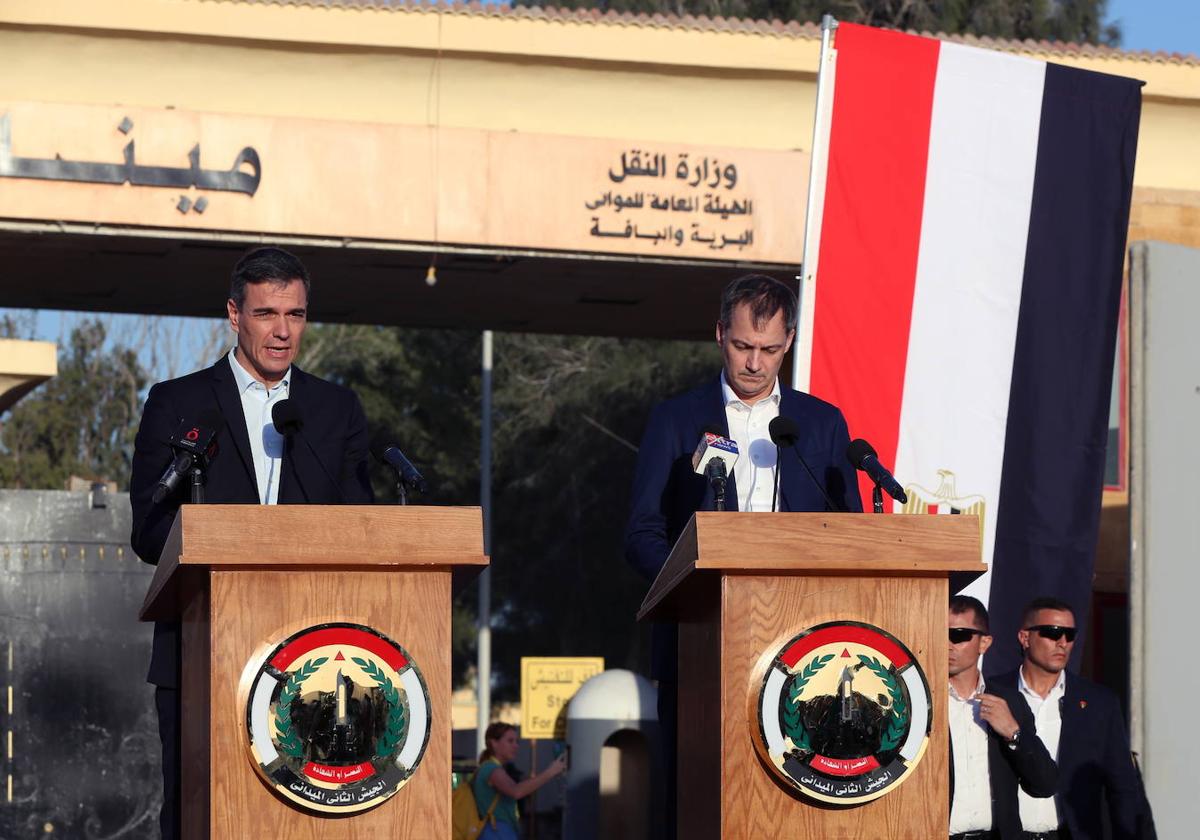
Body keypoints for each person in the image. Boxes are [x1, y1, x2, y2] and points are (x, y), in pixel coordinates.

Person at [129, 246, 374, 839]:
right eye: (267, 314)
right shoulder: (178, 401)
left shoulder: (335, 410)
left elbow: (362, 526)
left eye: (296, 315)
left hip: (317, 655)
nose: (283, 332)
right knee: (199, 815)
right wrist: (223, 549)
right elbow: (148, 527)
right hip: (203, 644)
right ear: (235, 316)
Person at [624, 273, 862, 838]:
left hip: (803, 647)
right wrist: (688, 588)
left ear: (790, 343)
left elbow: (849, 533)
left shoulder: (821, 425)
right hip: (698, 645)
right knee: (695, 804)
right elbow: (641, 531)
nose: (755, 363)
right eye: (742, 346)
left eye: (770, 349)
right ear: (719, 335)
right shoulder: (676, 420)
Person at [990, 597, 1146, 840]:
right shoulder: (993, 694)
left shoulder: (1099, 703)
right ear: (1024, 638)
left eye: (1069, 634)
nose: (1062, 642)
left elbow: (1122, 787)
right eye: (1052, 632)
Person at [948, 595, 1056, 840]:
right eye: (940, 633)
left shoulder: (1010, 702)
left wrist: (1014, 733)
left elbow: (1044, 784)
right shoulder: (919, 702)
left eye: (959, 635)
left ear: (984, 643)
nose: (948, 644)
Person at [472, 722, 567, 839]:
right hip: (496, 833)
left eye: (517, 741)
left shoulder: (492, 767)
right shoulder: (491, 769)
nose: (516, 746)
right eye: (510, 741)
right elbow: (516, 791)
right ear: (494, 743)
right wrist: (550, 772)